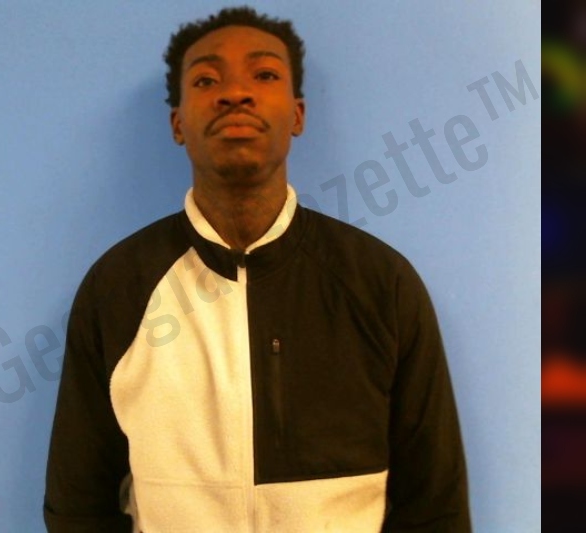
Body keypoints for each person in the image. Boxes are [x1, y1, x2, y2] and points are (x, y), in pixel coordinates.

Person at [44, 6, 470, 532]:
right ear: (178, 124)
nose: (235, 93)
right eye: (206, 80)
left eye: (264, 74)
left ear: (297, 115)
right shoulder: (117, 288)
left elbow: (436, 507)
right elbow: (77, 506)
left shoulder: (381, 284)